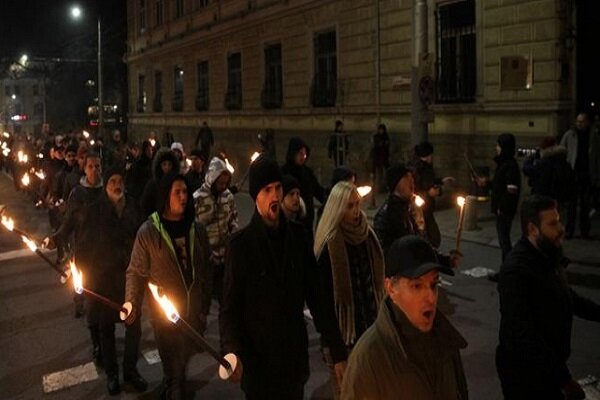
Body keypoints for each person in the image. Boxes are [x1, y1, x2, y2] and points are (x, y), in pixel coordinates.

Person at [219, 156, 346, 399]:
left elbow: (318, 297)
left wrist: (337, 349)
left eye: (278, 188)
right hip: (258, 366)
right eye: (267, 190)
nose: (275, 196)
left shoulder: (298, 239)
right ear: (256, 195)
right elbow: (230, 308)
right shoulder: (241, 246)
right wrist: (231, 350)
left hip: (292, 362)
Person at [496, 195, 600, 399]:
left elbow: (567, 297)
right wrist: (564, 380)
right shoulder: (516, 271)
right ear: (532, 229)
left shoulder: (547, 255)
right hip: (526, 376)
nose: (560, 228)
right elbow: (524, 336)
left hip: (548, 369)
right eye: (552, 223)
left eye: (559, 220)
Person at [341, 235, 468, 400]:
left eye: (433, 284)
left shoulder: (446, 341)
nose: (430, 297)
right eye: (417, 286)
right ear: (391, 288)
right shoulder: (369, 358)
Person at [122, 172, 213, 399]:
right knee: (172, 358)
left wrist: (204, 306)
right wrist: (131, 302)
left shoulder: (197, 228)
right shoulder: (149, 232)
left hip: (192, 311)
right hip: (164, 315)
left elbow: (205, 269)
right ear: (165, 197)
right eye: (177, 192)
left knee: (183, 358)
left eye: (185, 192)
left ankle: (174, 382)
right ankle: (174, 387)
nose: (183, 197)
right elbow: (135, 271)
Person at [77, 168, 147, 395]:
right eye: (112, 181)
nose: (117, 185)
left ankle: (130, 371)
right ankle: (112, 374)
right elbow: (84, 243)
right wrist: (84, 273)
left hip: (130, 277)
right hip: (104, 278)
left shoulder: (134, 206)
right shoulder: (95, 210)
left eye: (120, 181)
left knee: (133, 327)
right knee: (106, 327)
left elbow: (144, 235)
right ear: (106, 185)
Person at [314, 181, 385, 398]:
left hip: (371, 335)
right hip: (344, 342)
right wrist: (337, 354)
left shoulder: (367, 236)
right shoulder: (330, 247)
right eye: (349, 206)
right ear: (337, 208)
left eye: (357, 205)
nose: (356, 211)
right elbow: (323, 306)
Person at [45, 152, 104, 357]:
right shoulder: (78, 194)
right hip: (85, 256)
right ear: (84, 168)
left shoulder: (107, 191)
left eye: (97, 166)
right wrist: (55, 239)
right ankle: (97, 343)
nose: (94, 170)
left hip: (106, 257)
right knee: (92, 304)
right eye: (91, 166)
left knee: (106, 303)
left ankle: (106, 341)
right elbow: (68, 223)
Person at [193, 156, 238, 304]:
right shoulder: (197, 198)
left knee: (225, 297)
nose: (223, 186)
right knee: (204, 298)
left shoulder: (228, 197)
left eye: (226, 183)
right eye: (220, 183)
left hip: (225, 256)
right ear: (212, 179)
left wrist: (233, 234)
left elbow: (233, 218)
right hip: (207, 257)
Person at [477, 133, 521, 266]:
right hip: (502, 209)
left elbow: (511, 190)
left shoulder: (510, 165)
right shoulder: (504, 164)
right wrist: (487, 183)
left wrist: (502, 208)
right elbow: (499, 184)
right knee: (504, 241)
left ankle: (508, 270)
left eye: (498, 145)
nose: (496, 148)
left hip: (504, 210)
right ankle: (505, 270)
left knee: (504, 241)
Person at [560, 113, 598, 238]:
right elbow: (562, 150)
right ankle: (569, 230)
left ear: (587, 122)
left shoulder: (594, 136)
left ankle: (584, 231)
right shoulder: (570, 135)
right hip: (573, 173)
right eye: (578, 121)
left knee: (585, 204)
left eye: (582, 121)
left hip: (587, 173)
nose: (579, 123)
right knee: (571, 204)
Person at [410, 141, 453, 249]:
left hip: (427, 207)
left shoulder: (426, 167)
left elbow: (430, 181)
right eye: (431, 154)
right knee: (430, 237)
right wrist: (428, 193)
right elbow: (415, 189)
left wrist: (441, 181)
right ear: (428, 155)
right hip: (421, 208)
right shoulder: (418, 169)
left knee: (431, 237)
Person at [281, 137, 326, 239]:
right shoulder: (284, 172)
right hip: (289, 224)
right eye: (300, 154)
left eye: (305, 154)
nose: (303, 157)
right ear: (293, 153)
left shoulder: (307, 172)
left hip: (307, 224)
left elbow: (318, 191)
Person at [522, 136, 575, 217]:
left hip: (542, 195)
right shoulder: (563, 160)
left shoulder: (544, 163)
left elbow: (527, 170)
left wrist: (529, 158)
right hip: (558, 196)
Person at [140, 147, 180, 217]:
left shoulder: (178, 183)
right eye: (164, 164)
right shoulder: (152, 184)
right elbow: (145, 207)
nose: (167, 167)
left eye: (169, 164)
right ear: (159, 166)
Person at [371, 123, 390, 191]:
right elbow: (375, 146)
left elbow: (387, 146)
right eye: (380, 130)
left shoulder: (386, 137)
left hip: (384, 157)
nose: (381, 131)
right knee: (378, 173)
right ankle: (378, 186)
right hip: (377, 157)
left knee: (384, 172)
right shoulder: (376, 137)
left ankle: (384, 186)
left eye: (382, 130)